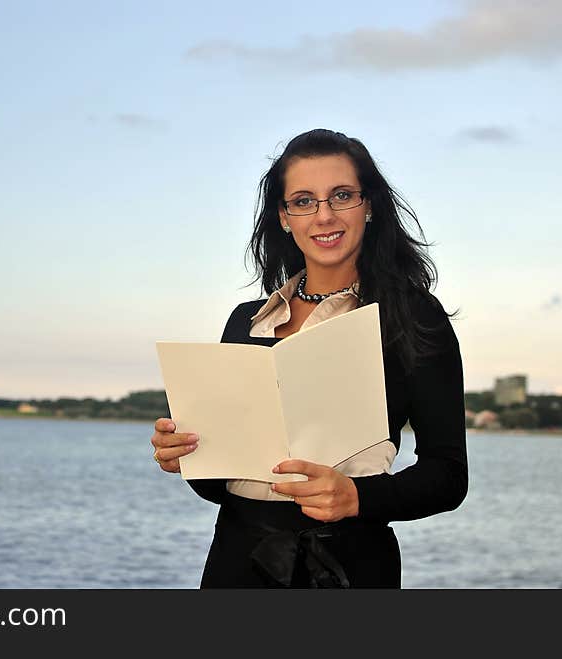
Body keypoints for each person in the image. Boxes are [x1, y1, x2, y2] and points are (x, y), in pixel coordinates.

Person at [150, 129, 468, 588]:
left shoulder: (413, 316)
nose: (324, 216)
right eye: (303, 201)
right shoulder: (245, 322)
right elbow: (221, 488)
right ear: (283, 217)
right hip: (238, 564)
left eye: (341, 196)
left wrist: (358, 496)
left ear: (370, 205)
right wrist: (187, 456)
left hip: (350, 568)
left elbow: (448, 475)